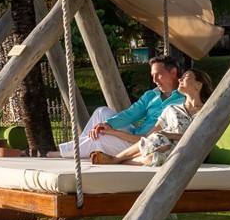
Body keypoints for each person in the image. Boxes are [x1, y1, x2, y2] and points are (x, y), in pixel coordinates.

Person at [47, 55, 183, 158]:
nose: (154, 80)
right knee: (101, 112)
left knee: (100, 139)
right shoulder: (151, 95)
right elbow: (131, 114)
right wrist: (107, 124)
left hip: (143, 144)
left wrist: (111, 131)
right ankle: (77, 148)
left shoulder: (184, 99)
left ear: (173, 73)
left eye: (159, 74)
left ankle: (55, 153)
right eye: (153, 75)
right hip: (133, 134)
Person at [90, 69, 213, 166]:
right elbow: (149, 137)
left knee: (161, 141)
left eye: (186, 77)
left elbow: (203, 138)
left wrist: (171, 135)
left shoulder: (208, 112)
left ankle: (115, 159)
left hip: (194, 152)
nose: (180, 79)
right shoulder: (171, 109)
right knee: (156, 151)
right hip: (167, 148)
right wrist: (113, 132)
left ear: (198, 85)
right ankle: (117, 160)